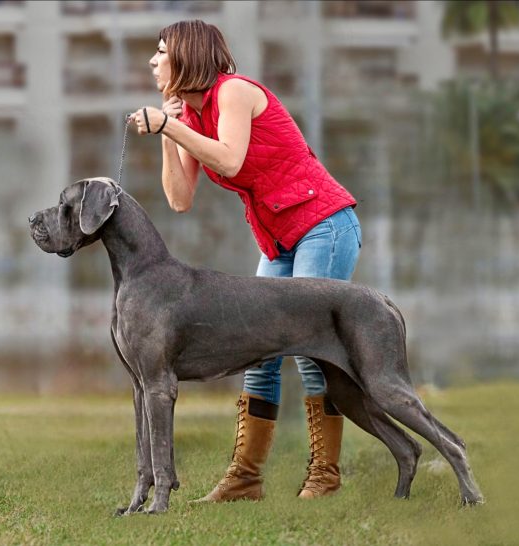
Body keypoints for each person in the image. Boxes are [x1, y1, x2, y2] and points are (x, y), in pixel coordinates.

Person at [131, 19, 362, 502]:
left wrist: (170, 123)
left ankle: (326, 476)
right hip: (278, 241)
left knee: (312, 351)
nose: (153, 61)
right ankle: (246, 478)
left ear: (187, 57)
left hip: (324, 225)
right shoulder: (190, 118)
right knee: (256, 356)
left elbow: (231, 160)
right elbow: (179, 199)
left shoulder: (234, 91)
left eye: (160, 52)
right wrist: (168, 134)